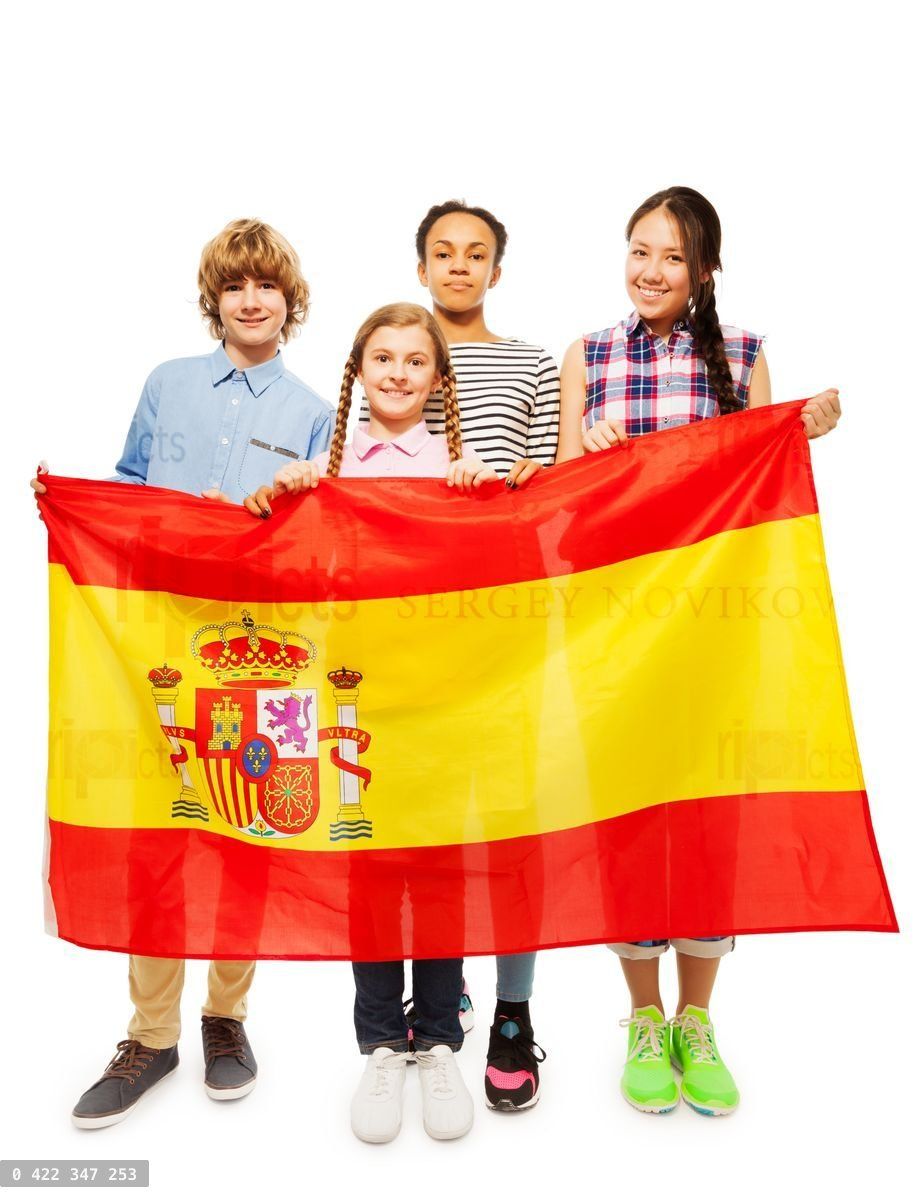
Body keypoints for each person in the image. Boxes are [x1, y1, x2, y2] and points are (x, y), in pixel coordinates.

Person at [32, 217, 332, 1128]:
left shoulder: (316, 410)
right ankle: (151, 1031)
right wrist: (71, 502)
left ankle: (226, 1016)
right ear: (216, 299)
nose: (252, 299)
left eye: (268, 287)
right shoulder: (166, 384)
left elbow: (320, 540)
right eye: (236, 286)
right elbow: (124, 495)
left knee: (245, 827)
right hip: (160, 645)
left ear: (290, 302)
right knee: (163, 830)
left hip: (261, 646)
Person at [557, 185, 841, 1117]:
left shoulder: (745, 355)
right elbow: (558, 511)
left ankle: (697, 1019)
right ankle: (642, 1018)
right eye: (640, 249)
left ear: (704, 271)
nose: (651, 271)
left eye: (673, 257)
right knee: (633, 820)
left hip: (713, 632)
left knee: (709, 823)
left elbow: (754, 495)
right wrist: (586, 458)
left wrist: (791, 431)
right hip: (616, 631)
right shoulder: (587, 356)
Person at [247, 302, 496, 1142]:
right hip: (355, 701)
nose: (397, 372)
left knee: (438, 867)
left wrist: (489, 486)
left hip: (445, 698)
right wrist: (280, 498)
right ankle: (383, 1041)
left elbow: (514, 551)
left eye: (414, 361)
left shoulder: (461, 463)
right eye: (381, 358)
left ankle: (439, 1040)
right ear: (360, 369)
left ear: (437, 377)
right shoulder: (330, 464)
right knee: (369, 869)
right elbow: (273, 564)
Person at [387, 199, 556, 1110]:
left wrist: (528, 479)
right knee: (428, 822)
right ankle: (441, 984)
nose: (458, 266)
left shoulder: (531, 362)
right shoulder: (398, 353)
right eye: (442, 252)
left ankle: (514, 1010)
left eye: (475, 254)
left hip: (504, 630)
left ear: (497, 269)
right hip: (409, 641)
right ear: (420, 267)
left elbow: (551, 488)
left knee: (511, 820)